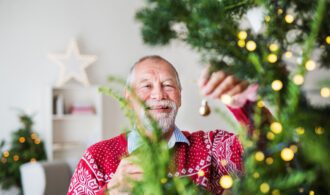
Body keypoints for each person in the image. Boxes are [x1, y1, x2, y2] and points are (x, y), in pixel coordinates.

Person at [67, 55, 258, 195]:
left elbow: (269, 147)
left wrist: (243, 103)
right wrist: (112, 191)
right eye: (147, 86)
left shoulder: (210, 148)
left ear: (180, 96)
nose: (159, 95)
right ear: (128, 98)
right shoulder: (97, 158)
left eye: (168, 85)